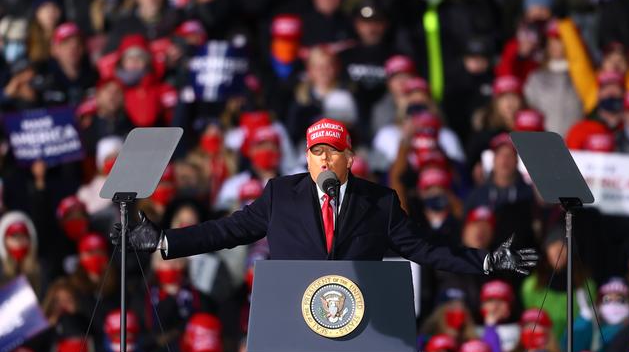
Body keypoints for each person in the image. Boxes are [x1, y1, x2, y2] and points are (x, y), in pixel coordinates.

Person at [113, 118, 537, 277]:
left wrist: (484, 260)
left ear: (350, 158)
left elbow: (423, 249)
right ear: (307, 160)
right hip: (294, 319)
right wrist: (165, 240)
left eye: (333, 152)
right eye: (317, 152)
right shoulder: (282, 193)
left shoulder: (380, 201)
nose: (325, 159)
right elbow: (228, 230)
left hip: (360, 324)